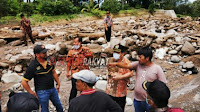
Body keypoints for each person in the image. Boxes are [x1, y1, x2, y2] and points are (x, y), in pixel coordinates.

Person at [109, 47, 167, 112]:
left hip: (150, 101)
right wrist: (116, 64)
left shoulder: (157, 69)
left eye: (140, 57)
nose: (138, 59)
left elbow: (162, 85)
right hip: (138, 100)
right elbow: (127, 65)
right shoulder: (138, 64)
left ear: (147, 58)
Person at [21, 45, 63, 112]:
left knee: (59, 105)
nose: (46, 54)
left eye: (45, 52)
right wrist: (32, 93)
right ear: (37, 55)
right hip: (42, 92)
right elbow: (24, 82)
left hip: (52, 89)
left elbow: (53, 72)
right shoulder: (33, 66)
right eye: (43, 53)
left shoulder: (50, 60)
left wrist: (58, 83)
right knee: (44, 109)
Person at [106, 44, 133, 111]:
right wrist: (112, 74)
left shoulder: (126, 62)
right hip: (110, 90)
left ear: (123, 53)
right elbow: (109, 70)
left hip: (120, 91)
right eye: (114, 52)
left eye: (118, 52)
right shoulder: (110, 60)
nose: (115, 54)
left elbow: (131, 73)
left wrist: (121, 76)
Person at [66, 37, 93, 102]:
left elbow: (91, 56)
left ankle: (85, 102)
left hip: (84, 72)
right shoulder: (71, 51)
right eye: (74, 42)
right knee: (74, 89)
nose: (74, 43)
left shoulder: (86, 50)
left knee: (85, 88)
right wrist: (67, 72)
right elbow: (69, 62)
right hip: (75, 72)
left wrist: (86, 55)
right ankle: (71, 103)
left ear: (80, 43)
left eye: (76, 42)